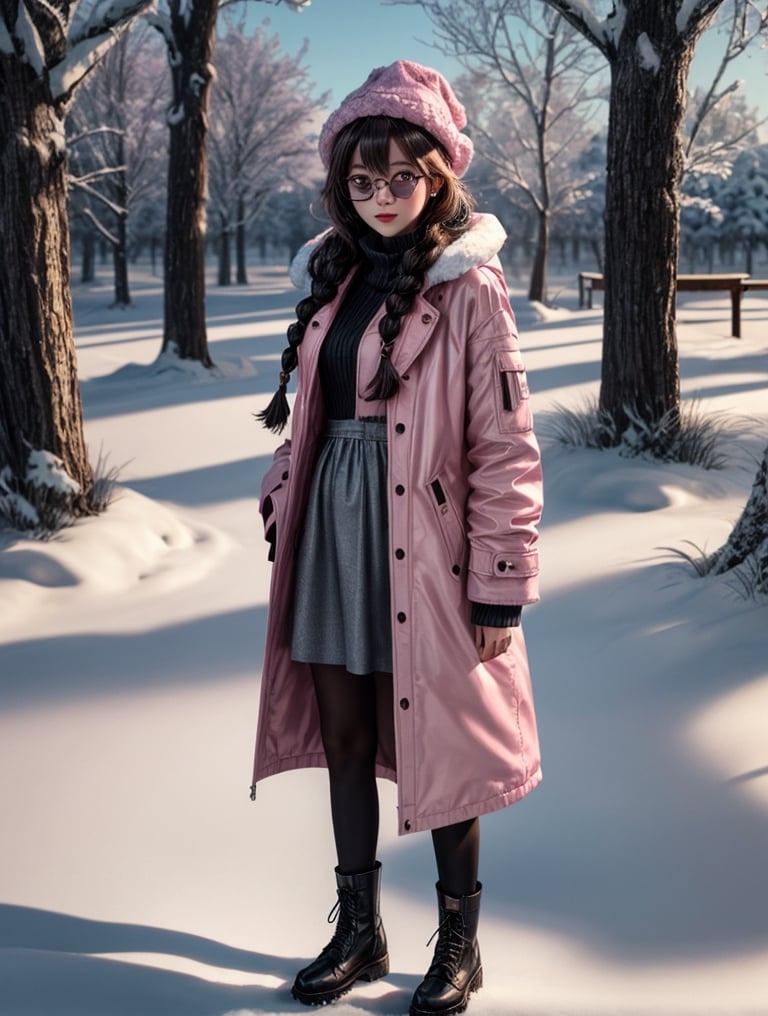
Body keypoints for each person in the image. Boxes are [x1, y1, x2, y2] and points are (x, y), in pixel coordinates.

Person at [252, 60, 543, 1016]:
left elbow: (505, 448)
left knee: (443, 736)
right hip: (333, 535)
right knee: (344, 732)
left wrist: (500, 582)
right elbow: (315, 416)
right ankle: (360, 929)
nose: (381, 199)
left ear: (437, 178)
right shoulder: (332, 281)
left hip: (428, 543)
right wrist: (284, 485)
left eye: (401, 178)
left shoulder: (471, 290)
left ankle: (459, 942)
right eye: (362, 181)